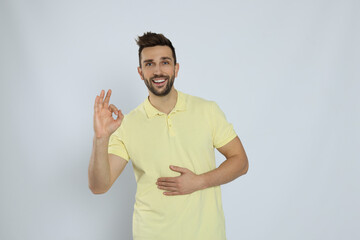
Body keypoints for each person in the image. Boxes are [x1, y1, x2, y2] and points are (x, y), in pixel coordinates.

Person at [88, 32, 249, 240]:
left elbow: (241, 162)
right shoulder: (127, 124)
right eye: (149, 64)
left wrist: (199, 182)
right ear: (140, 72)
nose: (157, 71)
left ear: (176, 68)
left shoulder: (207, 110)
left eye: (165, 62)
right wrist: (100, 138)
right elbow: (99, 186)